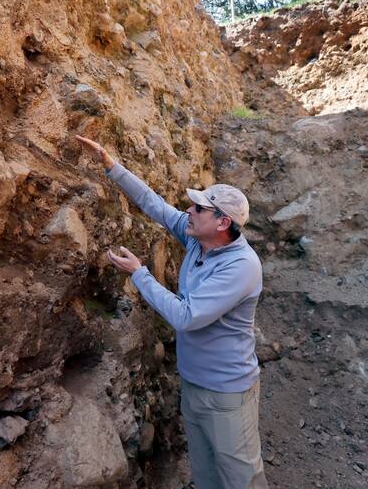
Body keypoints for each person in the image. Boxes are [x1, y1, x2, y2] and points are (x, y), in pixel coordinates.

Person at [76, 135, 268, 489]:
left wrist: (140, 274)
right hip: (194, 383)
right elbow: (156, 205)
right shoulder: (200, 237)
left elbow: (185, 317)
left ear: (223, 223)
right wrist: (111, 165)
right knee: (206, 471)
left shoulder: (241, 266)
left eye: (198, 208)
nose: (189, 211)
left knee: (242, 476)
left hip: (227, 393)